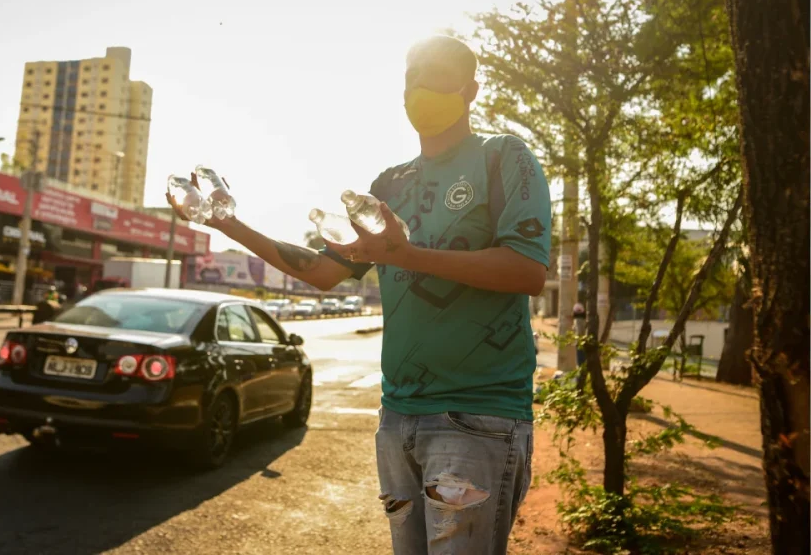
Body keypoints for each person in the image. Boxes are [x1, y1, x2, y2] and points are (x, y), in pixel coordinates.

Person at [168, 35, 551, 555]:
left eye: (437, 77)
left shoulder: (501, 157)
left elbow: (527, 270)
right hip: (398, 417)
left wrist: (406, 254)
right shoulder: (389, 185)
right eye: (413, 77)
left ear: (472, 90)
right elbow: (326, 272)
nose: (421, 89)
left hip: (478, 417)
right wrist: (226, 222)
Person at [573, 302, 587, 367]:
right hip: (585, 342)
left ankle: (581, 375)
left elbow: (578, 332)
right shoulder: (585, 320)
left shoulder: (577, 321)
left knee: (580, 361)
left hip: (579, 343)